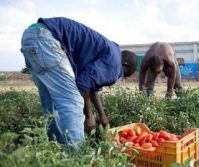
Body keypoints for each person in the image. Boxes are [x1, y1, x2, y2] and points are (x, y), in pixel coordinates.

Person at [20, 17, 137, 150]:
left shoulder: (109, 52)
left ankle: (56, 150)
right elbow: (84, 84)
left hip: (31, 36)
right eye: (123, 75)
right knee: (73, 103)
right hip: (46, 40)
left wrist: (102, 115)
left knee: (52, 105)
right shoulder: (115, 64)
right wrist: (89, 115)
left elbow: (91, 86)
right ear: (124, 64)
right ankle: (77, 158)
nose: (118, 77)